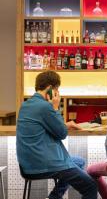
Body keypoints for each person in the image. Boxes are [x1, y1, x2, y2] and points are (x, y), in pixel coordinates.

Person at [16, 71, 98, 199]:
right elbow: (62, 133)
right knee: (91, 186)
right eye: (56, 89)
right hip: (44, 164)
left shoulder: (26, 105)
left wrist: (65, 124)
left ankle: (54, 197)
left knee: (79, 161)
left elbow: (45, 126)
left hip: (28, 164)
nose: (57, 93)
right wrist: (55, 107)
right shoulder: (45, 107)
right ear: (50, 89)